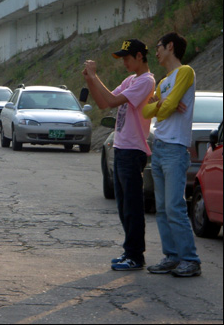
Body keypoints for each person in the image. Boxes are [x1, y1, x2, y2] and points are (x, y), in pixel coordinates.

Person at [82, 39, 155, 271]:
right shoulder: (130, 80)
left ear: (140, 57)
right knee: (124, 205)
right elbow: (105, 103)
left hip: (134, 150)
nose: (124, 62)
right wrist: (90, 80)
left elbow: (112, 100)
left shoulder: (146, 81)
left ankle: (136, 255)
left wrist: (94, 77)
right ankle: (129, 251)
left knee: (133, 205)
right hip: (121, 148)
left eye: (127, 57)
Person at [142, 32, 201, 277]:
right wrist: (164, 104)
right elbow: (147, 111)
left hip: (176, 150)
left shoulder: (185, 72)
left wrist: (164, 105)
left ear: (170, 46)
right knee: (163, 209)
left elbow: (163, 109)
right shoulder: (163, 82)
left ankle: (190, 260)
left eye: (158, 47)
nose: (155, 52)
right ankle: (171, 256)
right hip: (159, 148)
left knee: (175, 207)